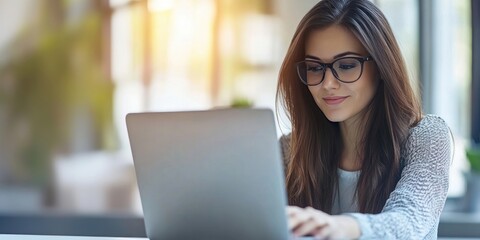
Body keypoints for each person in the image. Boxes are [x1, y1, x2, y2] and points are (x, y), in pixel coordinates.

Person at [276, 0, 453, 239]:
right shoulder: (290, 149)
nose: (328, 83)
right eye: (315, 68)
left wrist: (340, 227)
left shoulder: (427, 136)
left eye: (347, 65)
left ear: (381, 67)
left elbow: (409, 220)